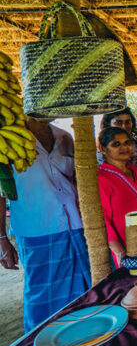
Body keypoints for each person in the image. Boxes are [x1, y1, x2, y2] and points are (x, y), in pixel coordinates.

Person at [0, 117, 90, 332]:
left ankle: (82, 336)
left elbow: (78, 179)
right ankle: (39, 343)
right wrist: (2, 239)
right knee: (42, 295)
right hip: (36, 229)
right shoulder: (9, 141)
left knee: (84, 287)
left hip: (76, 226)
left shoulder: (64, 137)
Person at [97, 127, 137, 268]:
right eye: (116, 144)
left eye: (127, 143)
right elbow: (103, 221)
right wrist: (121, 254)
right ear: (102, 148)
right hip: (130, 254)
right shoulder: (101, 178)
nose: (124, 147)